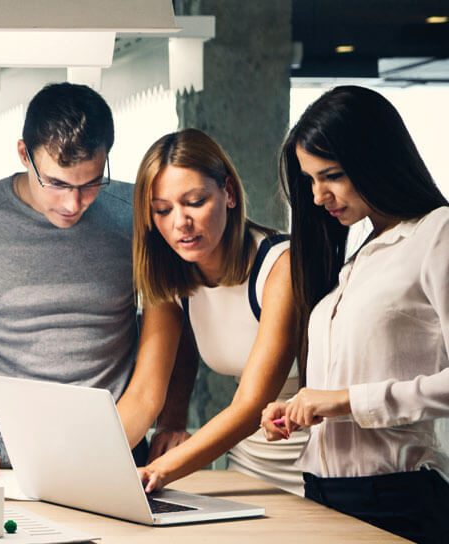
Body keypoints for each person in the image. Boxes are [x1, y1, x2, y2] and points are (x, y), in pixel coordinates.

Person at [0, 83, 150, 475]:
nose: (72, 204)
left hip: (116, 455)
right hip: (3, 460)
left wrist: (177, 417)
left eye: (90, 183)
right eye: (57, 183)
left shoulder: (135, 213)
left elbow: (178, 320)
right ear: (23, 154)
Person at [260, 85, 449, 542]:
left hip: (399, 499)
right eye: (309, 180)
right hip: (322, 493)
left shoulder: (437, 234)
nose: (319, 195)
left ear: (376, 159)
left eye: (333, 176)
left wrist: (344, 401)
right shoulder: (356, 259)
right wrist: (298, 408)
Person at [121, 128, 306, 495]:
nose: (180, 222)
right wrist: (92, 463)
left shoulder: (281, 266)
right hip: (247, 464)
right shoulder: (171, 277)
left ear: (229, 193)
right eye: (162, 210)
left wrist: (158, 471)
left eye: (195, 201)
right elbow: (144, 395)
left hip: (316, 463)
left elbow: (253, 405)